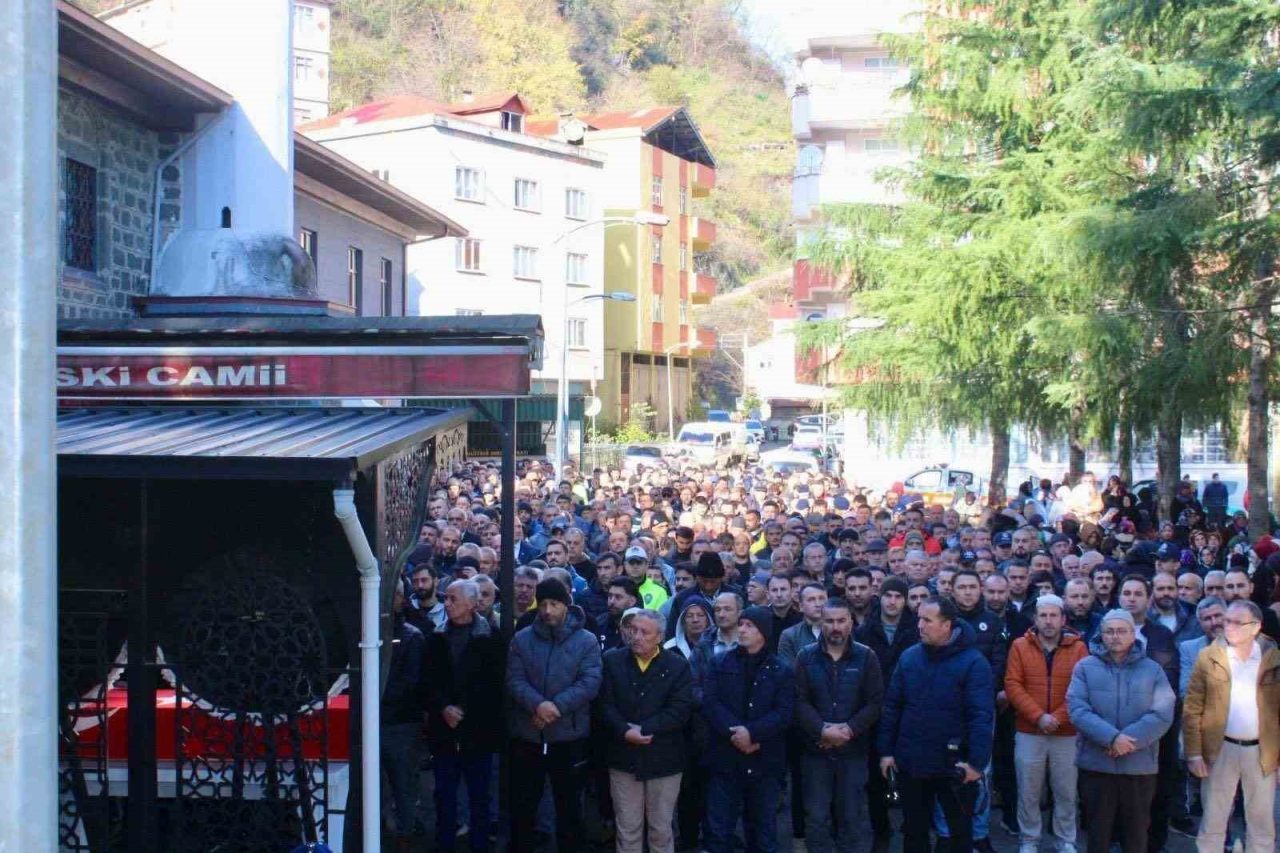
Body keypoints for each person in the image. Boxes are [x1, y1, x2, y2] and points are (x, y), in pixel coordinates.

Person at [878, 597, 994, 853]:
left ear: (947, 625)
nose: (920, 625)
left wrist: (976, 764)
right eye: (919, 619)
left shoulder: (974, 663)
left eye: (927, 620)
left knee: (959, 834)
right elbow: (892, 707)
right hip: (912, 762)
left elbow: (981, 717)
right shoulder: (909, 657)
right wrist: (886, 752)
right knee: (914, 833)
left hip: (955, 766)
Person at [1066, 609, 1175, 853]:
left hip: (1138, 765)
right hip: (1097, 765)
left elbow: (1163, 712)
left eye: (1121, 631)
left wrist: (1127, 742)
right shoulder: (1084, 667)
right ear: (1101, 635)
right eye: (1110, 631)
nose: (1115, 636)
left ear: (1132, 634)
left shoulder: (1153, 669)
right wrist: (1112, 738)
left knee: (1136, 835)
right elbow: (1078, 709)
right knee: (1098, 835)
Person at [506, 579, 603, 853]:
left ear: (566, 605)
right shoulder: (522, 638)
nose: (548, 610)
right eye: (543, 604)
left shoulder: (586, 640)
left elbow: (589, 682)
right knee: (523, 807)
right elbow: (514, 679)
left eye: (554, 604)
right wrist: (538, 705)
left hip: (568, 736)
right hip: (528, 734)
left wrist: (555, 707)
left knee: (569, 808)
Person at [1183, 600, 1280, 853]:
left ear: (1256, 627)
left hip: (1263, 751)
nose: (1229, 627)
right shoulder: (1209, 656)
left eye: (1238, 622)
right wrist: (1194, 753)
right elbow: (1193, 707)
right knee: (1213, 820)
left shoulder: (1274, 658)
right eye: (1227, 621)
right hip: (1220, 749)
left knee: (1261, 823)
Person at [599, 609, 694, 853]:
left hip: (664, 758)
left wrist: (645, 729)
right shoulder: (612, 660)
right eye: (633, 630)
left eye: (644, 632)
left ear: (660, 636)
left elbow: (680, 709)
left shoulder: (678, 666)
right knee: (627, 828)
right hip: (623, 756)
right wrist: (624, 731)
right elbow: (604, 704)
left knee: (660, 829)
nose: (637, 636)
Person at [702, 605, 795, 853]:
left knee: (763, 832)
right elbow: (710, 702)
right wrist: (737, 733)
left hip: (764, 760)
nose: (741, 630)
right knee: (719, 831)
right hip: (725, 757)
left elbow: (784, 712)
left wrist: (752, 734)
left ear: (763, 632)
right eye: (741, 624)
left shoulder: (781, 670)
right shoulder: (719, 663)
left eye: (749, 626)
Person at [794, 598, 884, 853]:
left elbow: (875, 702)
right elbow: (798, 700)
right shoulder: (805, 656)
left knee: (852, 817)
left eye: (841, 621)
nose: (836, 627)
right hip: (816, 752)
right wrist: (822, 730)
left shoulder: (867, 656)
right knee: (816, 818)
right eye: (830, 621)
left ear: (851, 623)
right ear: (821, 623)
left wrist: (849, 730)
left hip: (853, 751)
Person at [423, 579, 505, 853]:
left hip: (478, 734)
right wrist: (443, 707)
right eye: (446, 598)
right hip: (444, 733)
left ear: (471, 604)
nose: (447, 604)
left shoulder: (490, 638)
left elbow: (496, 687)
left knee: (479, 797)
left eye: (453, 599)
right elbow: (426, 682)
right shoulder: (436, 637)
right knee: (444, 796)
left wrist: (467, 712)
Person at [1002, 594, 1088, 853]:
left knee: (1066, 791)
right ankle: (1029, 839)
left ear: (1063, 619)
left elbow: (1081, 688)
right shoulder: (1019, 646)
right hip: (1029, 730)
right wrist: (1038, 716)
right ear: (1035, 619)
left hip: (1067, 732)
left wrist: (1058, 718)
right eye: (1043, 616)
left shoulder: (1078, 648)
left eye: (1053, 616)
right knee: (1028, 790)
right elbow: (1013, 684)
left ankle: (1065, 839)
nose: (1048, 621)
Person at [855, 576, 918, 846]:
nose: (892, 602)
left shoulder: (916, 630)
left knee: (911, 775)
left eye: (898, 596)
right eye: (888, 596)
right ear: (879, 597)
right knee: (875, 777)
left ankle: (912, 829)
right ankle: (881, 831)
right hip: (875, 711)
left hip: (909, 712)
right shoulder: (864, 631)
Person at [382, 581, 426, 851]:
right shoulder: (368, 632)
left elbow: (412, 682)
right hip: (375, 720)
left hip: (401, 724)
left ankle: (405, 835)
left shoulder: (412, 637)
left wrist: (376, 696)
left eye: (395, 594)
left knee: (403, 783)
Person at [778, 582, 827, 667]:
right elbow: (787, 670)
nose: (818, 604)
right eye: (811, 600)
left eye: (821, 599)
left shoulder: (840, 630)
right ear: (801, 606)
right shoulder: (789, 636)